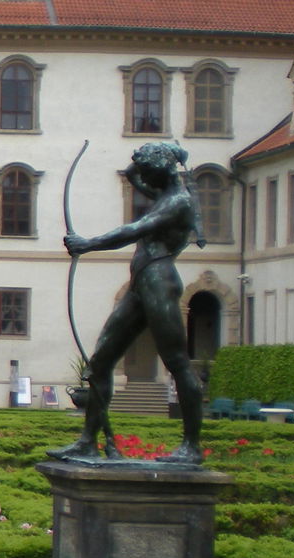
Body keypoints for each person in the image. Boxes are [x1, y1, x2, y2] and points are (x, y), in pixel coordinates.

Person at [52, 141, 206, 464]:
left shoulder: (177, 202)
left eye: (150, 171)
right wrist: (151, 156)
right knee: (100, 362)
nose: (143, 178)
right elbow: (133, 173)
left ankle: (191, 446)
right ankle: (86, 441)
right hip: (141, 284)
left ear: (162, 170)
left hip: (159, 283)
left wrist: (87, 244)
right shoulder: (163, 194)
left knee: (177, 362)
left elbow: (133, 230)